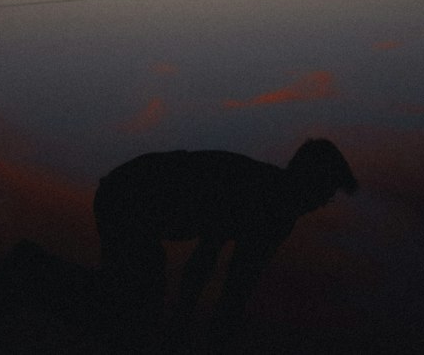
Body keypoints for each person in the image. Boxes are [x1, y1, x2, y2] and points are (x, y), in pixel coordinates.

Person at [92, 139, 358, 353]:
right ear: (309, 180)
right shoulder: (262, 196)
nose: (320, 204)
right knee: (138, 306)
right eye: (326, 193)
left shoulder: (274, 206)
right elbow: (208, 263)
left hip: (128, 193)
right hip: (128, 194)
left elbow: (236, 285)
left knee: (136, 304)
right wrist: (183, 327)